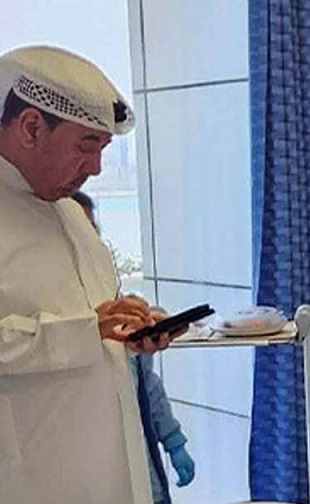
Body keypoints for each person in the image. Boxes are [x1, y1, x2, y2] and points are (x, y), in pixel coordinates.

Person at [0, 45, 174, 503]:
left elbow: (96, 323)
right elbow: (80, 328)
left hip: (115, 471)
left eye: (103, 149)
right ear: (31, 126)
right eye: (85, 146)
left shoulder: (72, 215)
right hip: (30, 478)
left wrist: (132, 330)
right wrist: (84, 331)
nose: (96, 168)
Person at [73, 190, 196, 504]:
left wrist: (173, 440)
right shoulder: (63, 323)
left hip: (141, 467)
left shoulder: (120, 314)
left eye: (92, 229)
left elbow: (148, 386)